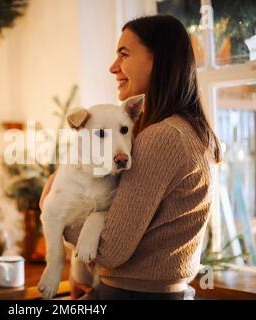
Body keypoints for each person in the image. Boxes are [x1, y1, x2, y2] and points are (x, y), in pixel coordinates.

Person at [40, 15, 221, 300]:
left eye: (123, 55)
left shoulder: (162, 137)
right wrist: (82, 270)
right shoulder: (189, 130)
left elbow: (110, 250)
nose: (113, 67)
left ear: (158, 59)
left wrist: (53, 209)